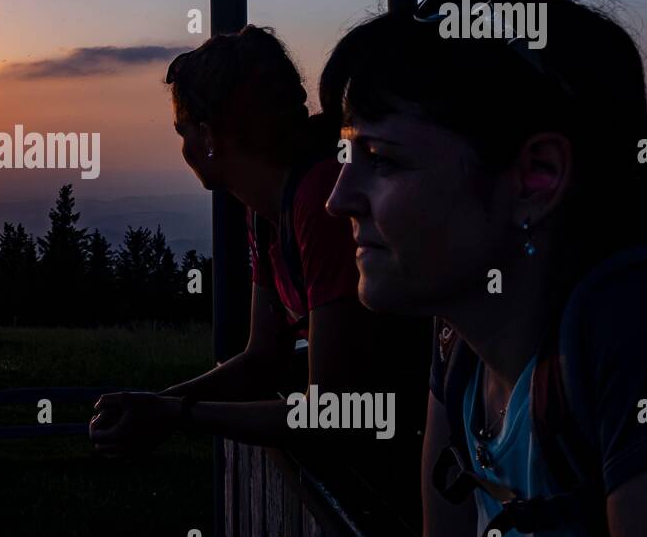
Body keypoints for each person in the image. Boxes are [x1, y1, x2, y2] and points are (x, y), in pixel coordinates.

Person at [325, 0, 647, 537]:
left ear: (537, 177)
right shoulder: (462, 337)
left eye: (380, 156)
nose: (338, 198)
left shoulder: (641, 333)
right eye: (349, 154)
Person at [89, 25, 426, 503]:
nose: (183, 147)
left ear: (207, 136)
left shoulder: (319, 202)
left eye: (182, 132)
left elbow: (330, 411)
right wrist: (159, 406)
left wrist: (177, 414)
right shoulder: (268, 211)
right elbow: (262, 359)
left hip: (407, 482)